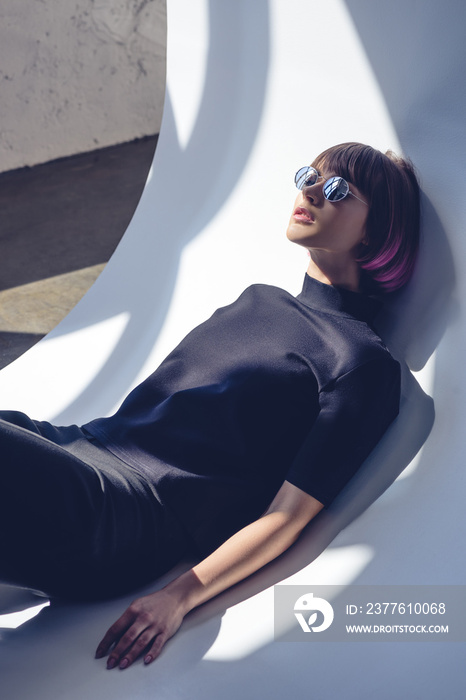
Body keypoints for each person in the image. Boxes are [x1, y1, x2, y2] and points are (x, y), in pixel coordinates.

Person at [0, 142, 420, 670]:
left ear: (378, 231)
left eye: (336, 189)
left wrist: (181, 594)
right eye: (309, 175)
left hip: (126, 513)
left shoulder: (360, 361)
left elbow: (288, 519)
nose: (310, 189)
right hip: (76, 444)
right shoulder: (257, 299)